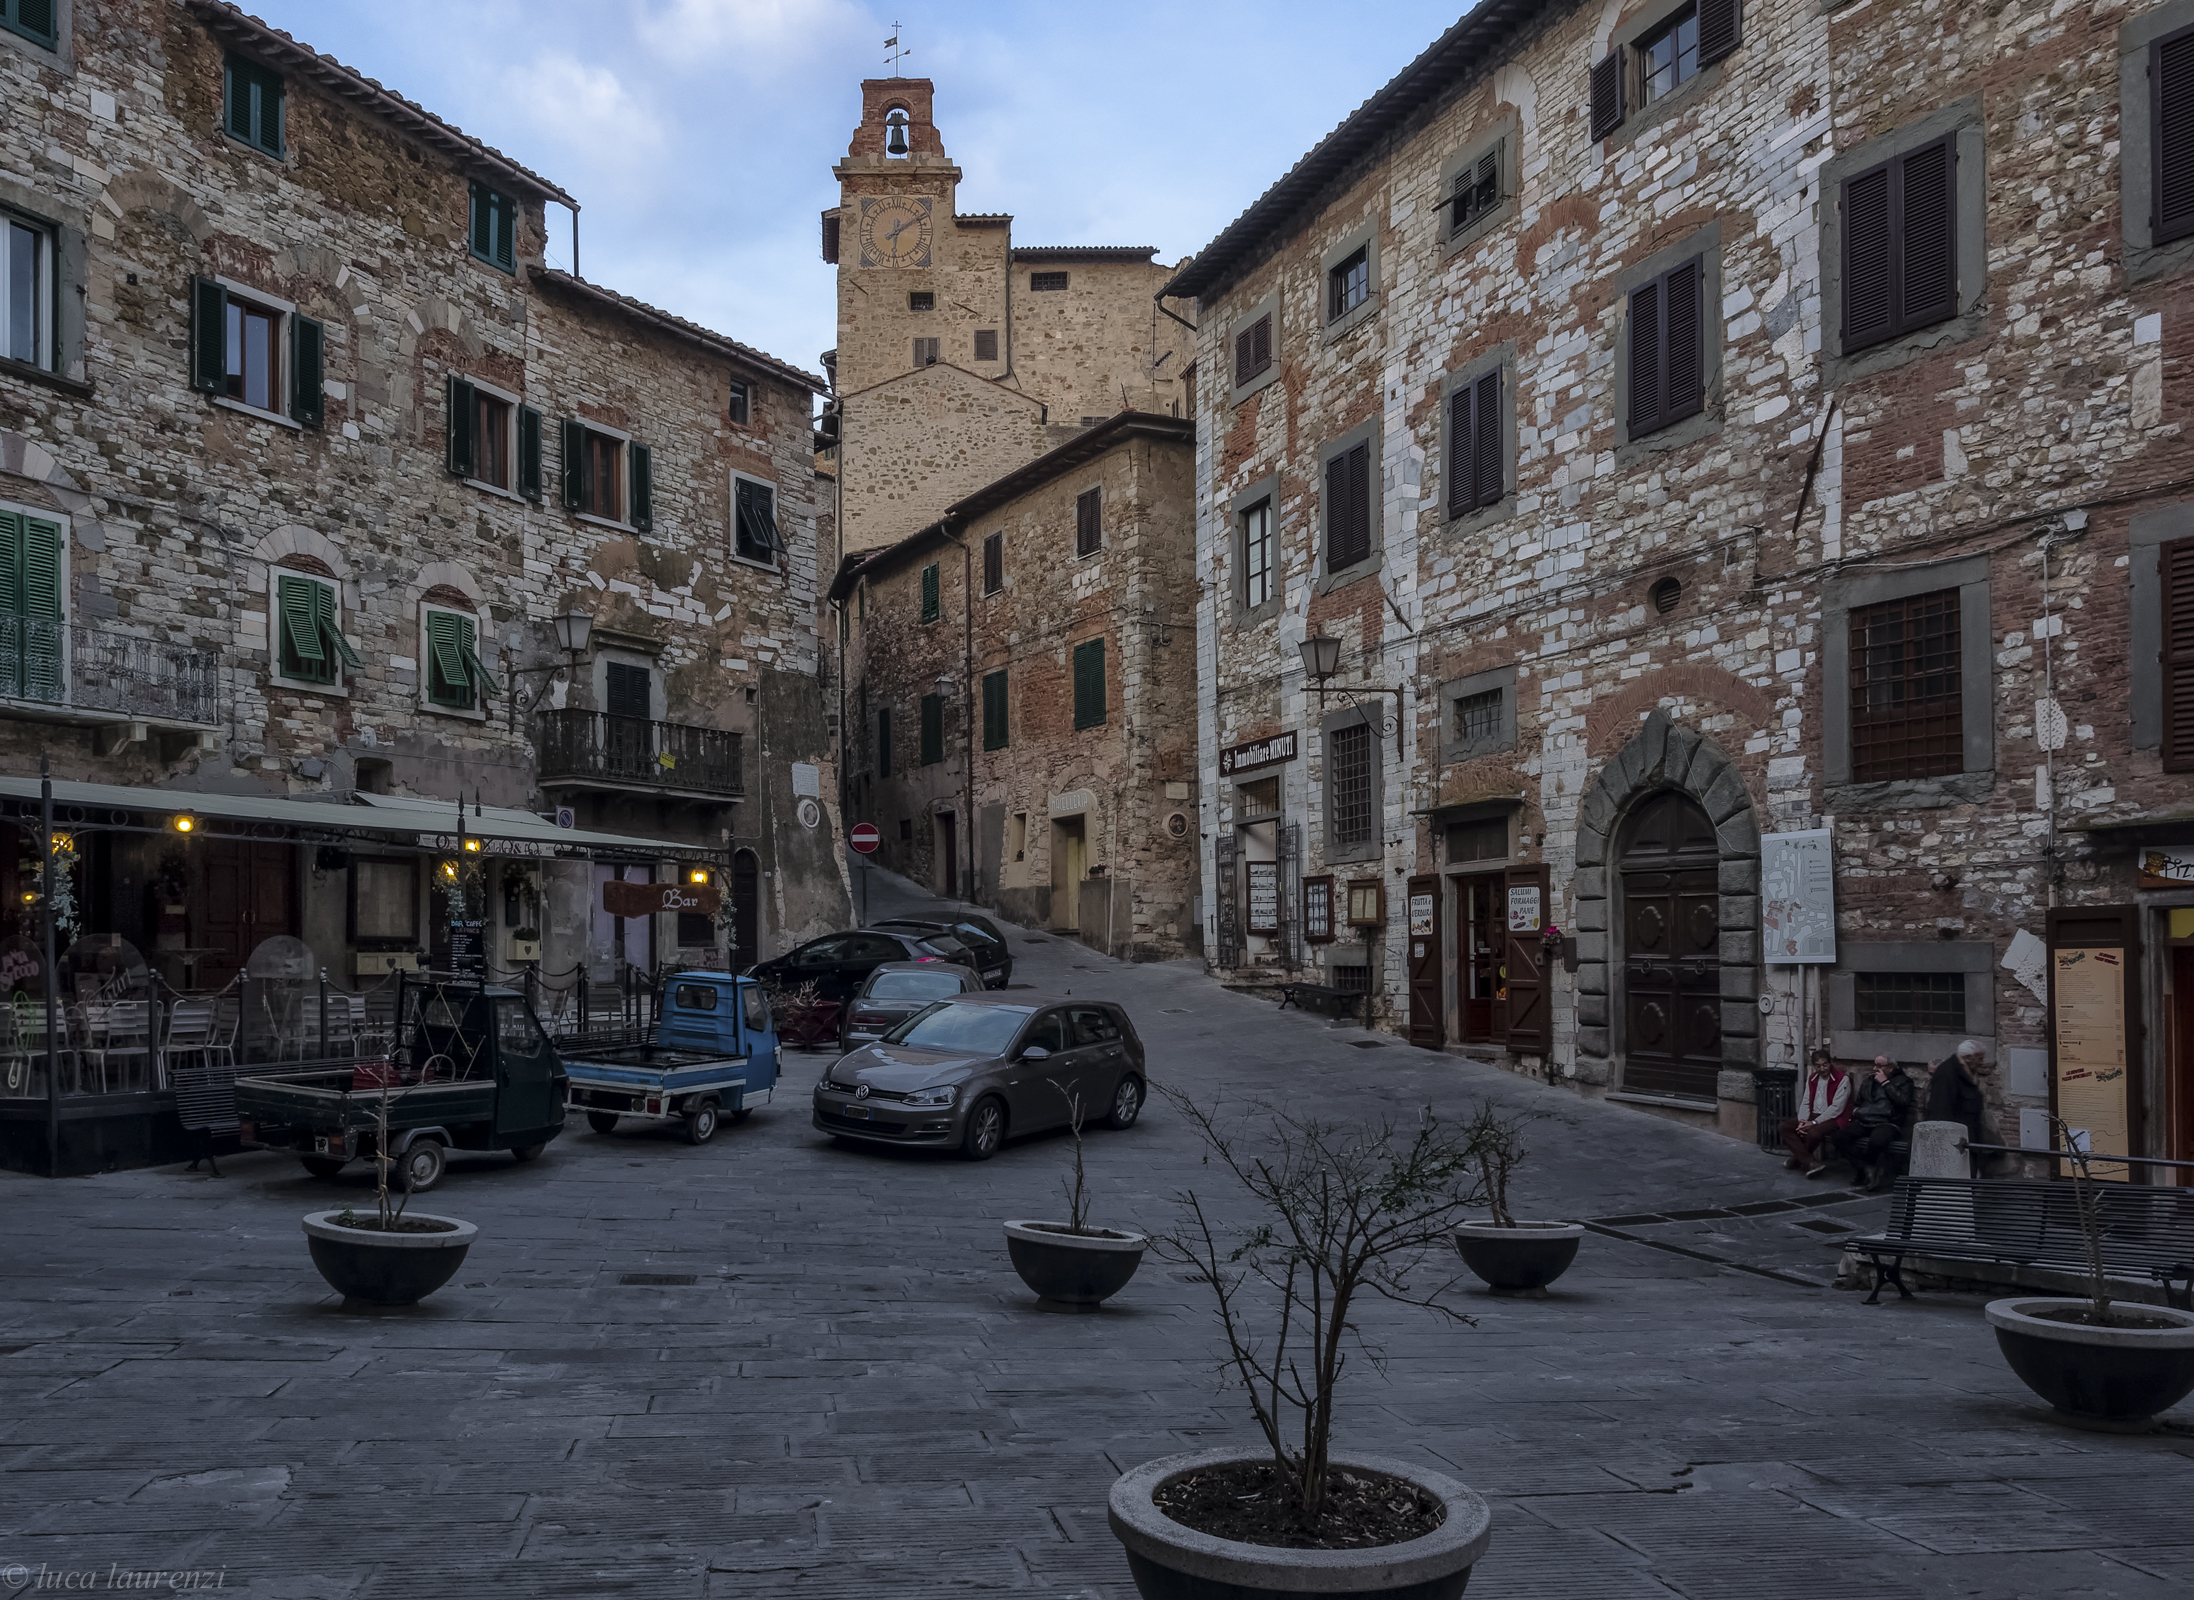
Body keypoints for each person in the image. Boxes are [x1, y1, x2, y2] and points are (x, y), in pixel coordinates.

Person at [1832, 1055, 1914, 1191]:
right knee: (1839, 1137)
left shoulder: (1904, 1081)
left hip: (1888, 1122)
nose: (1875, 1068)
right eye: (1875, 1065)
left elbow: (1903, 1101)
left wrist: (1885, 1083)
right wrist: (1857, 1111)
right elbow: (1859, 1102)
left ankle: (1866, 1172)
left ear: (1890, 1068)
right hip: (1865, 1120)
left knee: (1877, 1141)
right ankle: (1865, 1168)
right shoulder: (1869, 1081)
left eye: (1879, 1066)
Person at [1777, 1047, 1851, 1176]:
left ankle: (1798, 1159)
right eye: (1818, 1066)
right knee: (1784, 1127)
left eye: (1825, 1065)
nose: (1822, 1069)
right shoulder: (1812, 1079)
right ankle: (1810, 1161)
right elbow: (1806, 1101)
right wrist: (1802, 1121)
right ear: (1814, 1066)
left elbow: (1837, 1108)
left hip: (1834, 1118)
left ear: (1830, 1063)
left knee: (1813, 1133)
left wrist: (1814, 1123)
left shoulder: (1842, 1079)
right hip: (1813, 1115)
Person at [1926, 1040, 1989, 1176]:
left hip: (1968, 1136)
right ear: (1968, 1057)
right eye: (1980, 1058)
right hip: (1956, 1140)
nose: (1982, 1063)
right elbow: (1941, 1109)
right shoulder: (1947, 1074)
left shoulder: (1967, 1073)